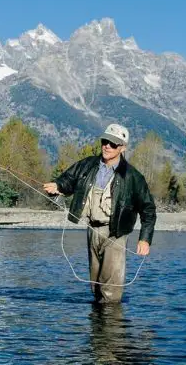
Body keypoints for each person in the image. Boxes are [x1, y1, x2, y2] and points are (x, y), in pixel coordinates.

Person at [43, 123, 157, 303]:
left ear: (123, 148)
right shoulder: (88, 165)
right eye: (105, 141)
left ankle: (111, 327)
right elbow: (69, 179)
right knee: (95, 285)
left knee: (110, 290)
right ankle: (97, 327)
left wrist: (145, 238)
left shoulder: (133, 177)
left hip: (116, 233)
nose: (107, 146)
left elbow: (148, 209)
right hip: (92, 229)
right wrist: (58, 185)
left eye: (113, 144)